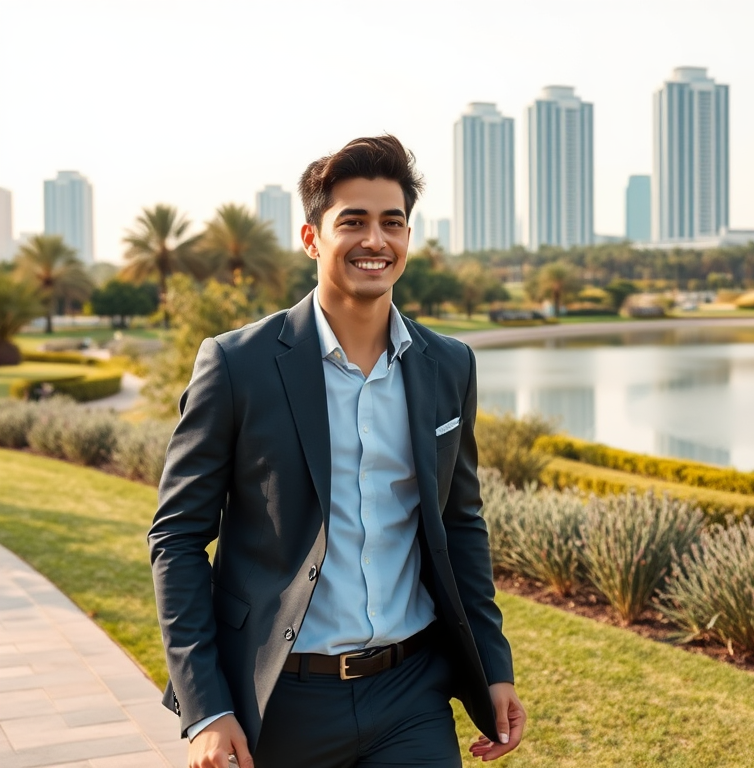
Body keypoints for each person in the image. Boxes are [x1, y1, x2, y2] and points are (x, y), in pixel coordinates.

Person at [149, 135, 525, 768]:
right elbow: (177, 539)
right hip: (282, 698)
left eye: (392, 223)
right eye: (352, 221)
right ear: (312, 237)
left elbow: (461, 525)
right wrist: (207, 710)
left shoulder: (449, 365)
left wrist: (492, 666)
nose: (375, 241)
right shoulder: (238, 365)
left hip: (412, 694)